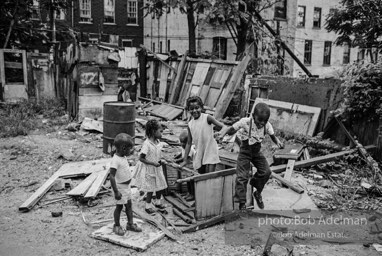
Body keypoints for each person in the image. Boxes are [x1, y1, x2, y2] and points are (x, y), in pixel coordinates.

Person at [219, 102, 284, 210]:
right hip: (244, 151)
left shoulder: (267, 126)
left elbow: (272, 136)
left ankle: (257, 192)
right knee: (242, 177)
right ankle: (242, 205)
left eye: (264, 121)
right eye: (259, 121)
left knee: (266, 172)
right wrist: (224, 133)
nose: (261, 124)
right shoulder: (245, 122)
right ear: (253, 116)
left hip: (256, 152)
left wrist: (277, 142)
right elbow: (232, 129)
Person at [180, 96, 225, 174]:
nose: (194, 110)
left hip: (210, 150)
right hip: (199, 151)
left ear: (201, 107)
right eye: (191, 108)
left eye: (197, 108)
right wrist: (185, 160)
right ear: (188, 110)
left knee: (210, 176)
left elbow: (223, 127)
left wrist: (221, 134)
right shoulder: (190, 124)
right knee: (201, 175)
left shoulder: (207, 118)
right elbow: (188, 142)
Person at [109, 133, 142, 236]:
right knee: (119, 207)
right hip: (120, 188)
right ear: (123, 148)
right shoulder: (116, 160)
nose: (130, 151)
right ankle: (117, 225)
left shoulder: (122, 156)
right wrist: (116, 191)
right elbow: (112, 176)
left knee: (129, 206)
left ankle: (130, 224)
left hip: (126, 187)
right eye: (129, 149)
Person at [134, 119, 168, 214]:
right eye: (160, 131)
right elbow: (141, 158)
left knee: (160, 185)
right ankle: (148, 206)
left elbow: (157, 154)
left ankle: (157, 202)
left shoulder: (158, 142)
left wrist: (161, 161)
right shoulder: (147, 144)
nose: (162, 134)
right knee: (150, 188)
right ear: (153, 131)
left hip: (157, 168)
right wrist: (153, 163)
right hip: (149, 169)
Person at [174, 130, 196, 200]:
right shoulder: (183, 148)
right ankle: (189, 193)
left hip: (192, 168)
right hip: (187, 168)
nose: (182, 144)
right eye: (181, 142)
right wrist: (176, 157)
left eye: (184, 142)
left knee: (191, 182)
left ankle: (192, 194)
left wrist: (178, 161)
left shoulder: (190, 149)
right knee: (187, 181)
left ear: (188, 142)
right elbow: (182, 154)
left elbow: (187, 159)